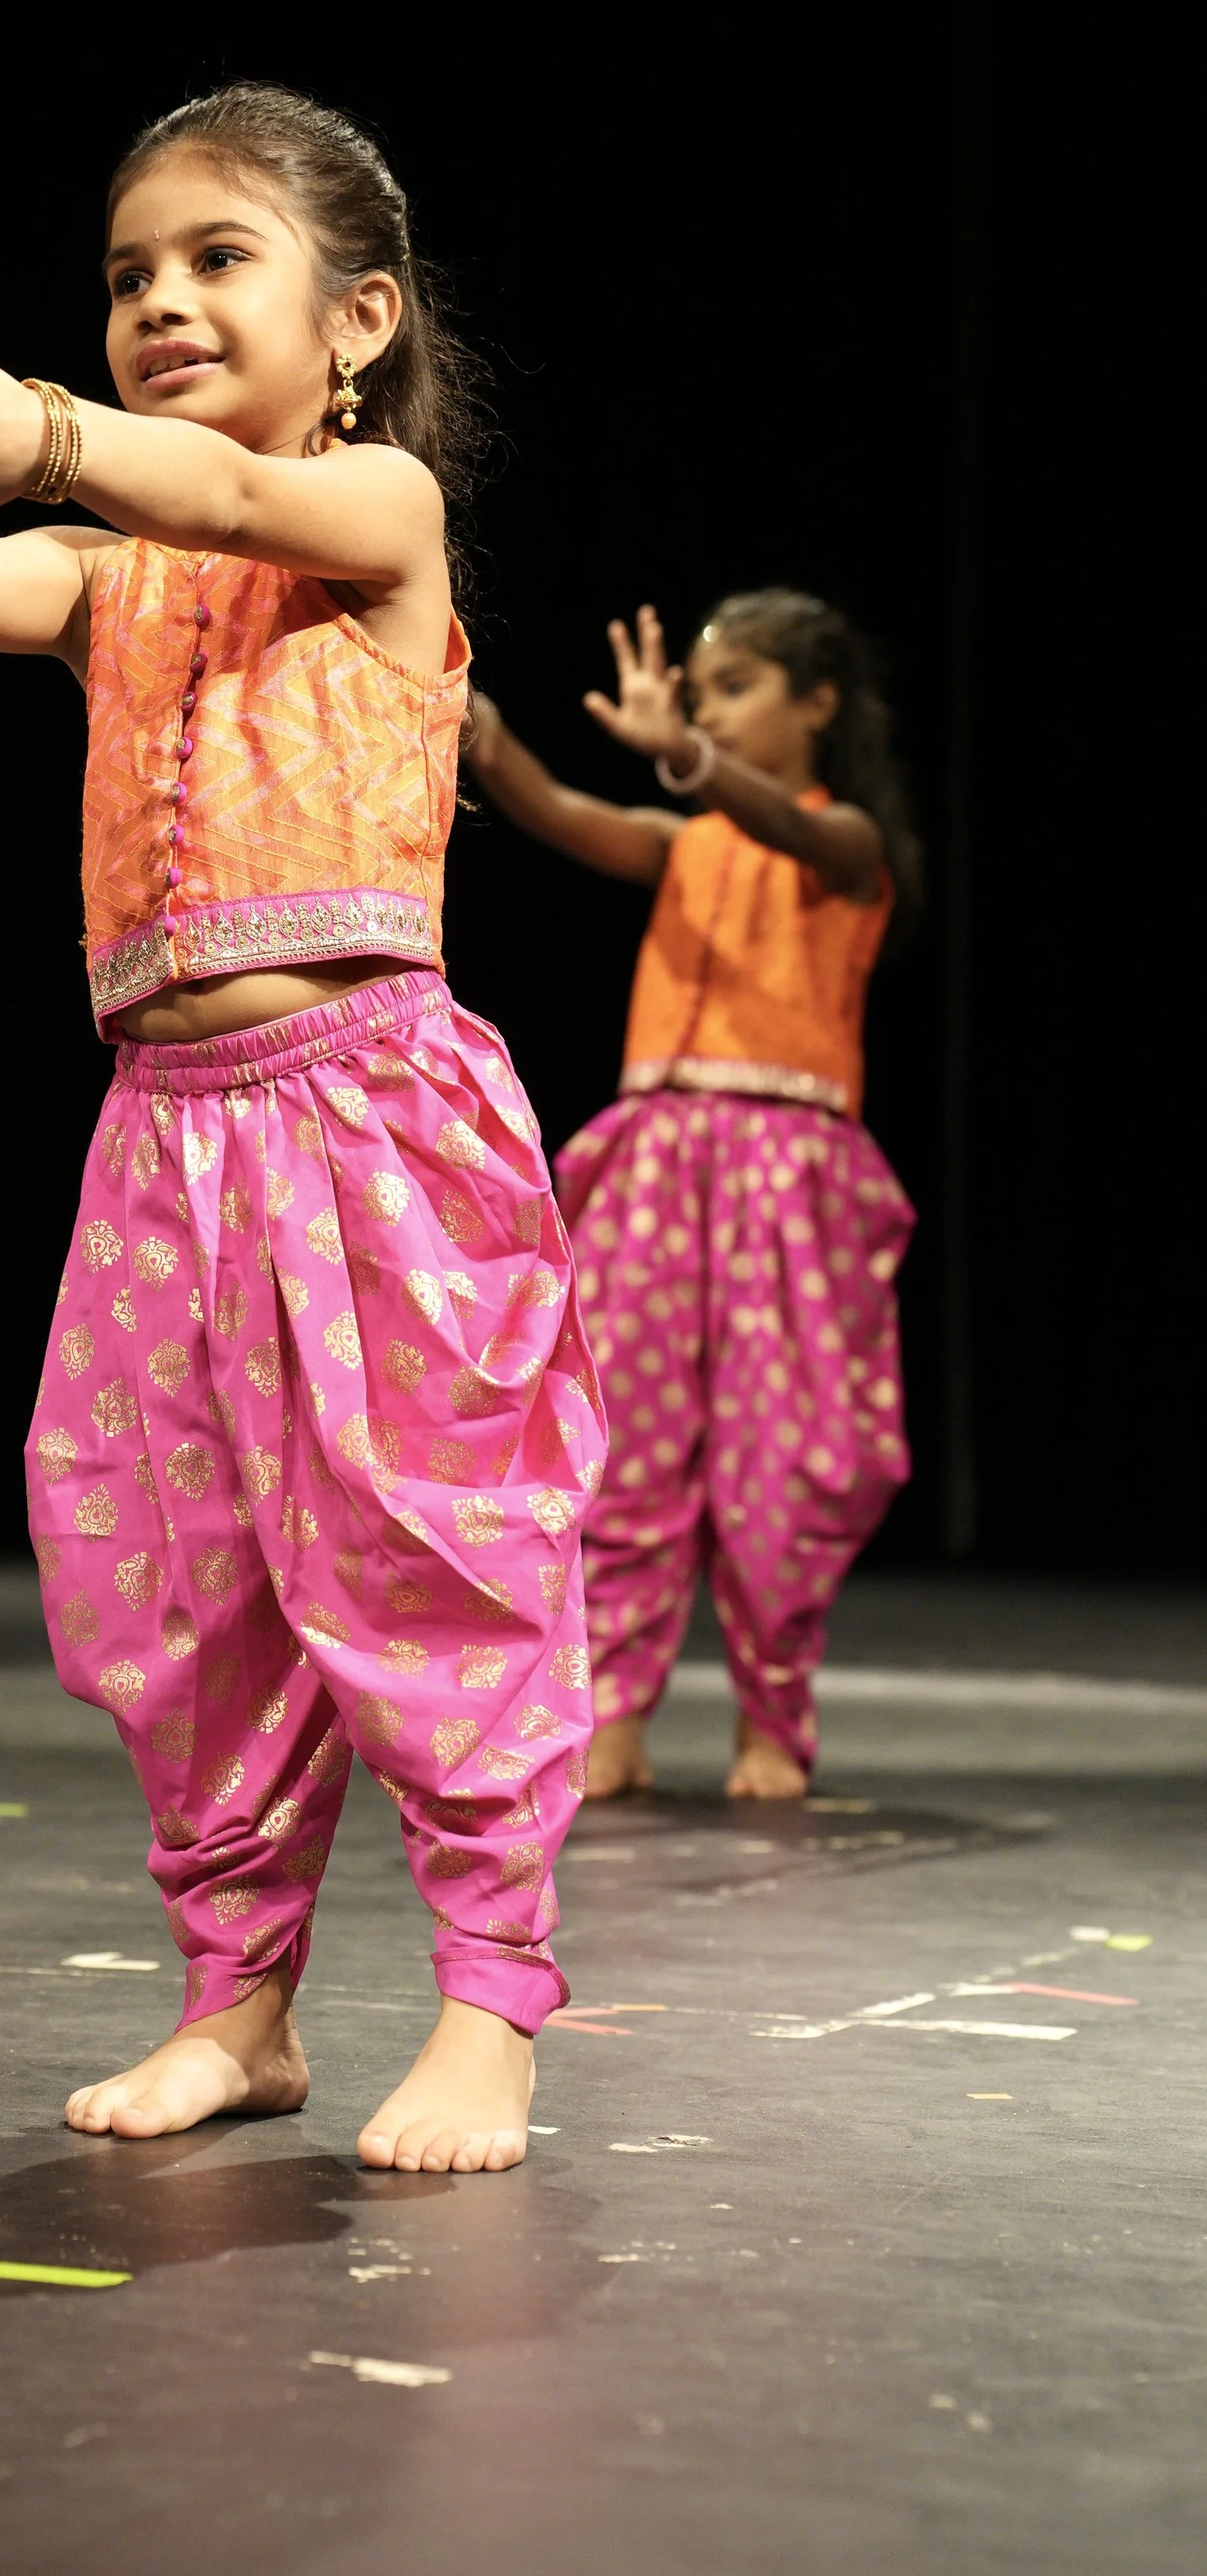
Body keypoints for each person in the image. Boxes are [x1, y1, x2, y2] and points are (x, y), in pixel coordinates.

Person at [0, 83, 606, 2175]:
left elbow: (217, 487)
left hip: (364, 1122)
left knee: (423, 1552)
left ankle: (486, 2001)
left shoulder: (378, 519)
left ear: (356, 322)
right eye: (125, 276)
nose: (159, 300)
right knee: (183, 1591)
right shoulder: (112, 580)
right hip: (161, 1143)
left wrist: (53, 432)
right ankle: (236, 2006)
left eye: (214, 260)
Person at [468, 593, 920, 1799]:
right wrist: (479, 725)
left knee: (783, 1458)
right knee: (630, 1443)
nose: (710, 711)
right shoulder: (683, 845)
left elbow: (788, 824)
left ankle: (773, 1719)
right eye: (702, 694)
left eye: (737, 688)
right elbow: (558, 809)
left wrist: (685, 755)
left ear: (817, 704)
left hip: (789, 1179)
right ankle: (614, 1706)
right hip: (660, 1170)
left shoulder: (848, 844)